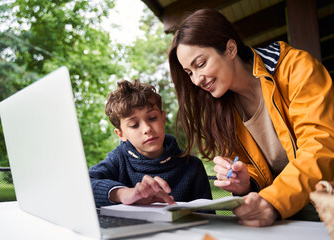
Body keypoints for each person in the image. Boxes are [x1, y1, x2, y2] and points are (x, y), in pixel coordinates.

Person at [168, 8, 334, 227]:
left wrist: (272, 201)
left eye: (200, 64)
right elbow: (255, 170)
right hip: (289, 212)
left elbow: (319, 147)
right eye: (189, 72)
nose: (197, 79)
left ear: (230, 49)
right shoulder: (222, 107)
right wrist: (245, 181)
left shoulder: (296, 69)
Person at [88, 79, 212, 208]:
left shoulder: (192, 166)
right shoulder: (118, 160)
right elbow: (83, 185)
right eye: (134, 125)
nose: (147, 129)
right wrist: (124, 194)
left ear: (163, 118)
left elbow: (208, 218)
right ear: (121, 134)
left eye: (152, 118)